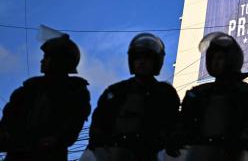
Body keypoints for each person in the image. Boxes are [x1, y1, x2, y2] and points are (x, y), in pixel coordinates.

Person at [87, 33, 180, 160]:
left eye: (147, 58)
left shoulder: (165, 93)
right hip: (114, 154)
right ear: (132, 61)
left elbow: (173, 125)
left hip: (151, 154)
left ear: (156, 62)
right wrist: (98, 145)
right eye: (138, 58)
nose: (142, 62)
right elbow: (99, 122)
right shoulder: (116, 91)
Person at [0, 32, 91, 161]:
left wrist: (55, 140)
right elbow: (6, 122)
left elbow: (72, 127)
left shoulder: (75, 91)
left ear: (59, 60)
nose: (42, 60)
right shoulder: (27, 90)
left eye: (47, 56)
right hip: (16, 155)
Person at [180, 32, 248, 160]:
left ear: (232, 59)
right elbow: (183, 124)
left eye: (220, 58)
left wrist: (238, 142)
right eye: (212, 58)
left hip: (232, 154)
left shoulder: (245, 91)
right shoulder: (198, 93)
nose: (215, 62)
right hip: (200, 154)